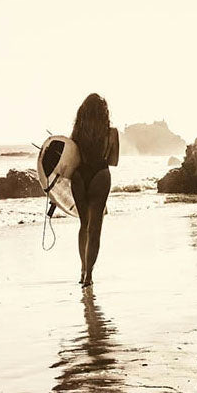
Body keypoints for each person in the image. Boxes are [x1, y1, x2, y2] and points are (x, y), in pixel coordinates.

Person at [70, 93, 119, 287]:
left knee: (84, 225)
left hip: (79, 176)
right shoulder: (112, 132)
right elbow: (113, 161)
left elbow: (70, 158)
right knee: (95, 228)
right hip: (100, 174)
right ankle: (89, 275)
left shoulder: (77, 131)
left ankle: (82, 270)